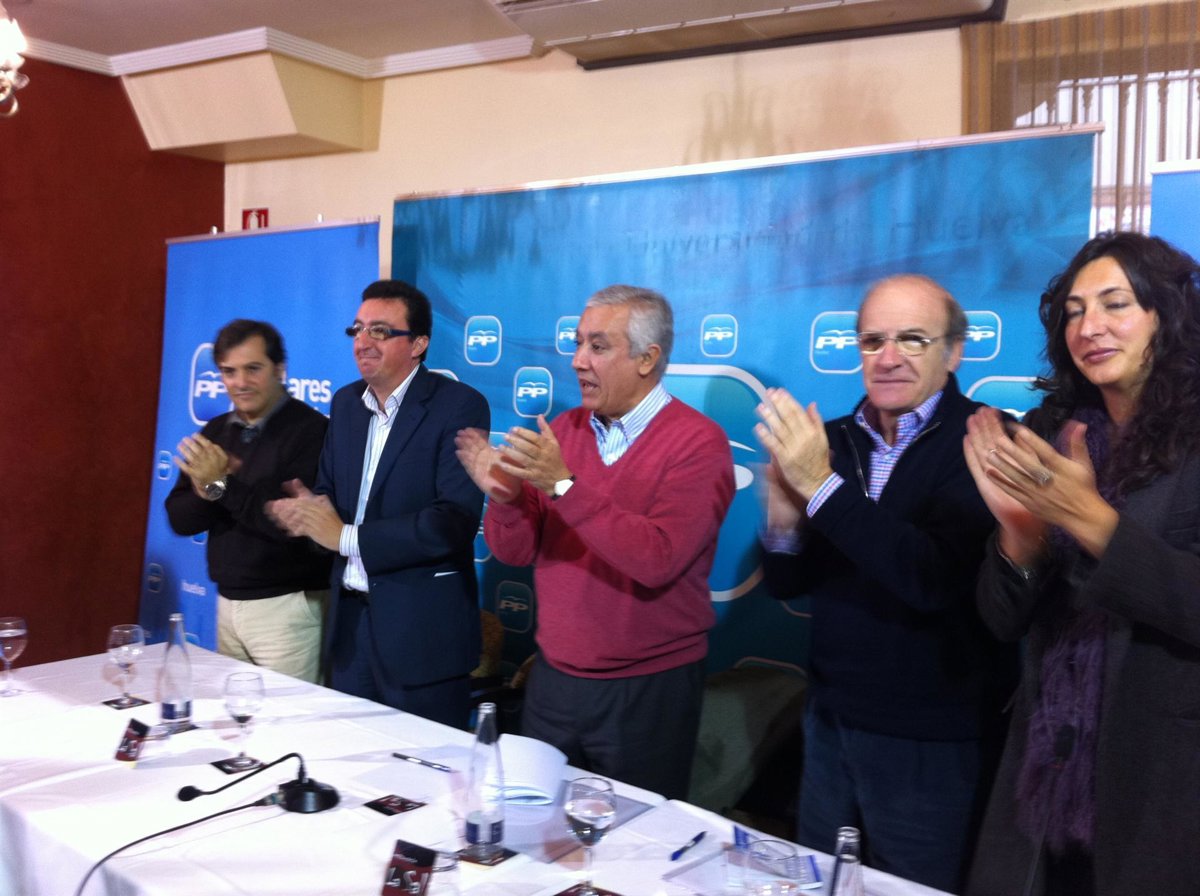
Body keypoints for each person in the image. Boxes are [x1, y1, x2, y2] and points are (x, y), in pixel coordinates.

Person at [756, 274, 1017, 893]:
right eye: (873, 341)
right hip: (830, 723)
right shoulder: (832, 441)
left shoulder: (988, 439)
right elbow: (788, 584)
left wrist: (820, 488)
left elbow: (933, 578)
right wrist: (784, 523)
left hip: (934, 741)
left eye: (912, 339)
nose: (889, 357)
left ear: (954, 351)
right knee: (819, 883)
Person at [964, 233, 1200, 896]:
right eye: (1073, 311)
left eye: (1114, 304)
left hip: (1164, 787)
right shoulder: (1053, 431)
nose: (1089, 326)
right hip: (1048, 772)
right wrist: (1021, 535)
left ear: (1166, 314)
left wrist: (1090, 519)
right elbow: (1001, 620)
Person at [455, 285, 734, 800]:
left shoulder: (699, 443)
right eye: (578, 343)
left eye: (598, 346)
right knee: (538, 825)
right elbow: (516, 553)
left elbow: (658, 559)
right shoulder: (563, 430)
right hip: (554, 681)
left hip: (647, 690)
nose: (579, 360)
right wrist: (506, 498)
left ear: (647, 359)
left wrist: (564, 486)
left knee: (636, 839)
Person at [267, 280, 488, 729]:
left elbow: (452, 522)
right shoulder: (346, 404)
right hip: (351, 630)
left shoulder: (459, 406)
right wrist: (307, 516)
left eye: (381, 331)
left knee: (427, 764)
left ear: (419, 344)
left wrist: (345, 537)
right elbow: (329, 496)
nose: (363, 341)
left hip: (421, 636)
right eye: (358, 329)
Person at [165, 319, 331, 682]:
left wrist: (221, 484)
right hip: (225, 605)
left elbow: (290, 526)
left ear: (279, 369)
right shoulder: (215, 431)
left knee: (291, 718)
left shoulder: (312, 431)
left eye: (253, 368)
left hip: (288, 609)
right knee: (237, 714)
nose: (240, 382)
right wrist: (209, 489)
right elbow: (180, 518)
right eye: (229, 371)